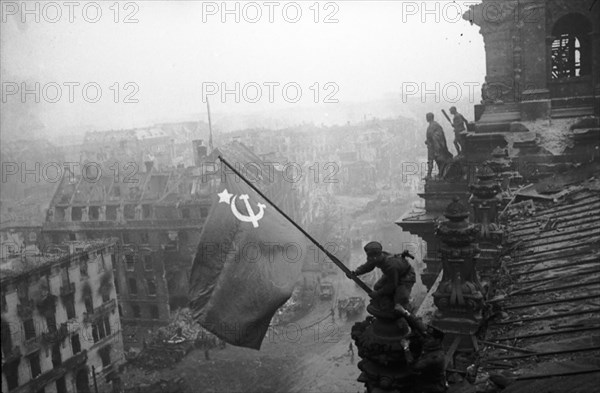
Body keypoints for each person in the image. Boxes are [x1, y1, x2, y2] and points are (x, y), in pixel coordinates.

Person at [347, 241, 416, 310]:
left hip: (406, 277)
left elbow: (392, 285)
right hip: (393, 274)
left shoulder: (390, 266)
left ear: (375, 257)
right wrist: (356, 272)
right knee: (377, 286)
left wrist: (378, 294)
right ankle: (389, 299)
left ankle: (407, 309)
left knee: (400, 304)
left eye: (369, 257)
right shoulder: (378, 257)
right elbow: (368, 266)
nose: (368, 259)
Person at [425, 113, 453, 179]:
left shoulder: (434, 125)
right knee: (435, 160)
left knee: (436, 160)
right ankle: (435, 174)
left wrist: (433, 142)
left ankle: (436, 174)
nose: (426, 118)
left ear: (430, 117)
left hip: (434, 147)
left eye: (427, 117)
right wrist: (428, 140)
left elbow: (437, 136)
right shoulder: (433, 125)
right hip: (432, 146)